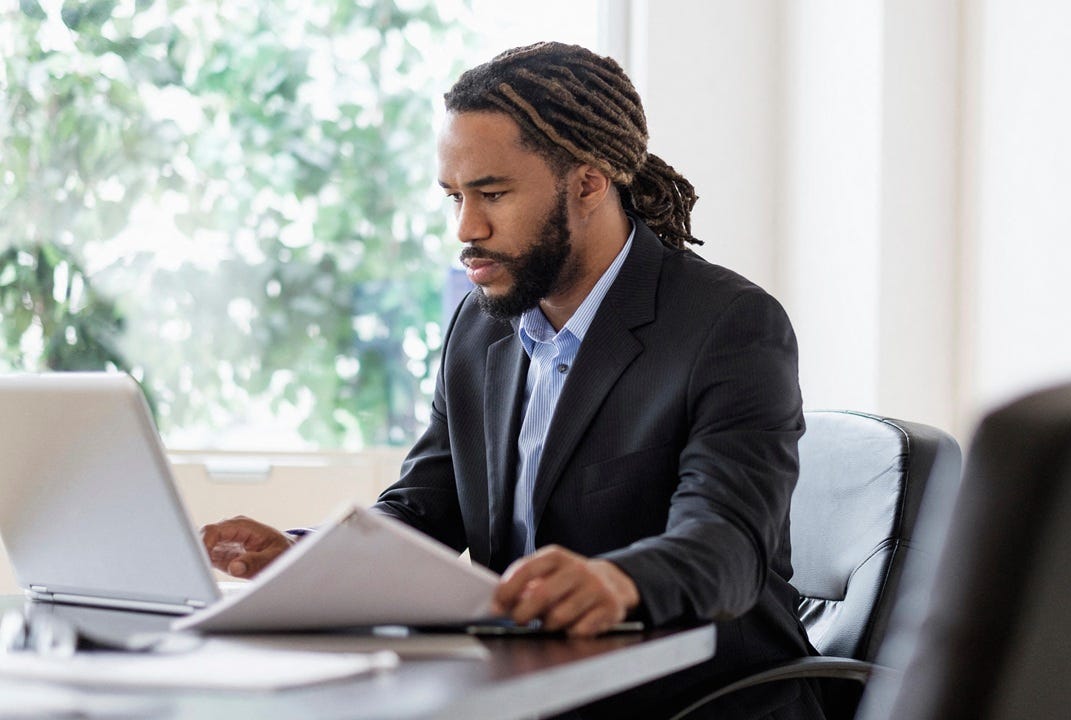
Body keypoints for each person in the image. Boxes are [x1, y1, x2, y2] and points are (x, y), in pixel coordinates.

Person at [201, 42, 824, 719]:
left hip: (692, 701)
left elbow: (727, 545)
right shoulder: (482, 324)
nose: (466, 227)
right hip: (526, 689)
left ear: (587, 184)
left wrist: (617, 581)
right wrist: (305, 561)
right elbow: (420, 512)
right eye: (454, 197)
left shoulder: (729, 326)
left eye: (492, 194)